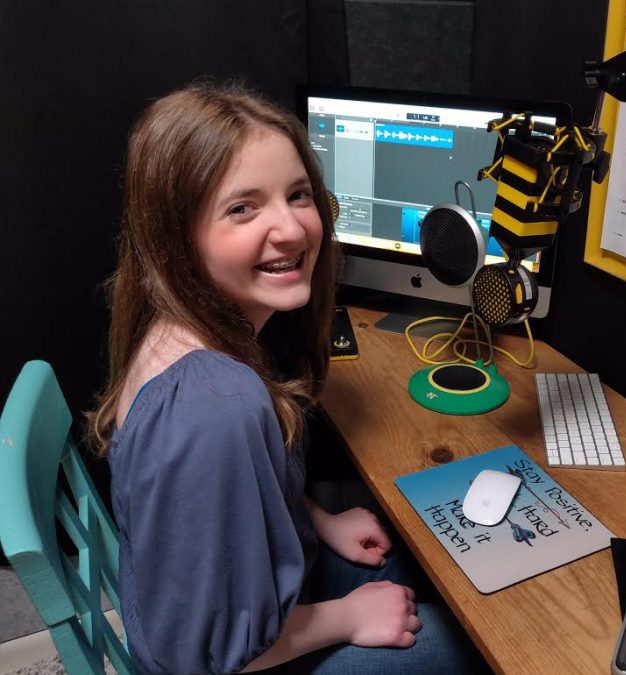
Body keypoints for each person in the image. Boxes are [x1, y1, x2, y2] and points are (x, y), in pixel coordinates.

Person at [86, 82, 487, 674]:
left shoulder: (187, 329)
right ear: (177, 238)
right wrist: (348, 617)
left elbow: (228, 497)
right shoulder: (216, 405)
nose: (294, 230)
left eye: (299, 195)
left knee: (439, 568)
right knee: (477, 651)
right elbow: (203, 657)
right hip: (234, 659)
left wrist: (316, 519)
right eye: (242, 208)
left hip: (248, 606)